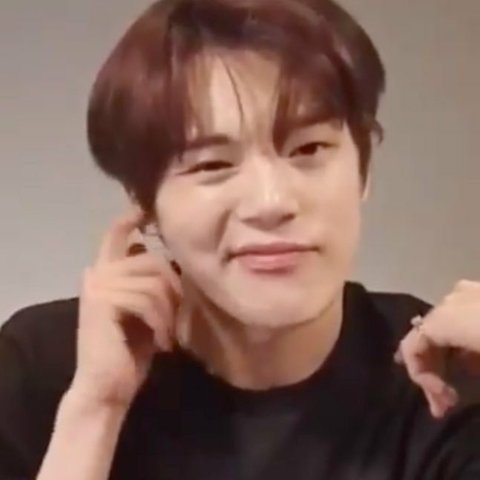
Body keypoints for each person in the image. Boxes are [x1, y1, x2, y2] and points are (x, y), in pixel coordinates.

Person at [1, 0, 479, 479]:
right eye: (212, 165)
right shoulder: (42, 369)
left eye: (309, 148)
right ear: (144, 202)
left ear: (363, 167)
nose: (271, 202)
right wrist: (95, 410)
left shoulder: (441, 382)